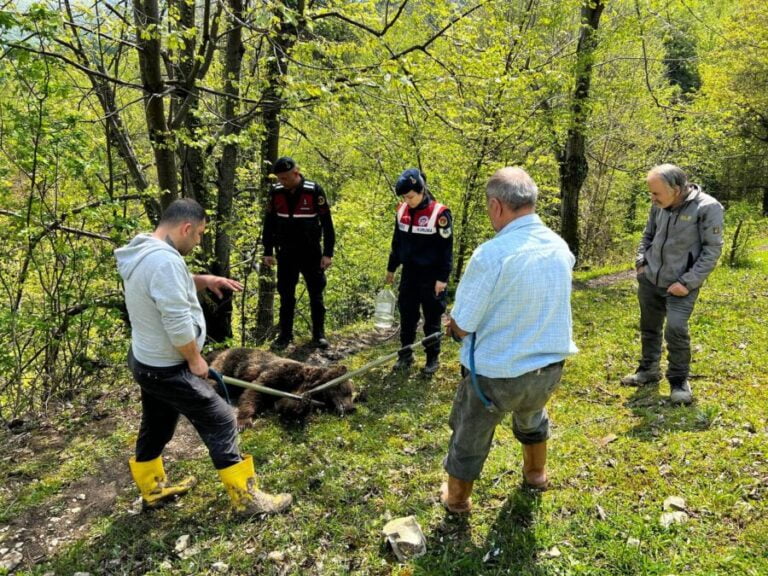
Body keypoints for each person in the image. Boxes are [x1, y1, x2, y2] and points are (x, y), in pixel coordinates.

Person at [115, 198, 292, 516]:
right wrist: (197, 361)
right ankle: (247, 501)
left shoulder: (142, 248)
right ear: (185, 227)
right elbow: (176, 322)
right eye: (197, 234)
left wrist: (202, 280)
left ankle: (152, 491)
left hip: (145, 360)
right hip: (167, 368)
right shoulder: (165, 262)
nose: (198, 241)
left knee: (157, 424)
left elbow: (159, 286)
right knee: (223, 417)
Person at [440, 167, 577, 514]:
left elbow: (465, 324)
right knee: (533, 418)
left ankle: (457, 499)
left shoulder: (491, 254)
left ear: (498, 206)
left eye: (489, 208)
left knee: (469, 433)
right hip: (548, 370)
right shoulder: (560, 246)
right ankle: (535, 474)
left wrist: (452, 326)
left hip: (496, 376)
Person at [621, 164, 724, 405]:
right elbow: (647, 236)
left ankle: (679, 381)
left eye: (656, 193)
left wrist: (687, 283)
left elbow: (712, 250)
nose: (652, 198)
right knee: (649, 327)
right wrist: (641, 264)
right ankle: (648, 370)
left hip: (681, 284)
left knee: (676, 330)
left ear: (676, 190)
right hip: (651, 279)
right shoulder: (658, 206)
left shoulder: (707, 208)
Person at [262, 156, 335, 350]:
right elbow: (268, 223)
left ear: (296, 173)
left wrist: (328, 253)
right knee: (286, 295)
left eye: (285, 178)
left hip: (311, 252)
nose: (282, 182)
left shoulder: (314, 191)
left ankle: (319, 335)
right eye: (279, 178)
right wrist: (267, 250)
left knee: (316, 293)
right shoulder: (276, 193)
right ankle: (285, 335)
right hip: (286, 253)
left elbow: (327, 224)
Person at [385, 168, 453, 375]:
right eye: (405, 197)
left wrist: (443, 277)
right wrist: (391, 268)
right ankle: (405, 355)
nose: (408, 200)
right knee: (407, 315)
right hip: (409, 273)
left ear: (422, 190)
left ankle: (432, 359)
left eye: (411, 196)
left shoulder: (440, 213)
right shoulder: (401, 210)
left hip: (432, 275)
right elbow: (397, 243)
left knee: (432, 318)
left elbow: (446, 248)